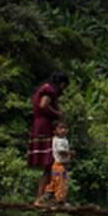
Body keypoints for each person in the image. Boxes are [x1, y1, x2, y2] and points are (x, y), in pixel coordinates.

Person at [28, 71, 69, 202]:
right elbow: (43, 105)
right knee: (50, 162)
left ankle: (46, 196)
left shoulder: (44, 88)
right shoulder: (49, 90)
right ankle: (41, 197)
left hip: (40, 124)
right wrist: (57, 114)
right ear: (61, 84)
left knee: (50, 163)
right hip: (44, 126)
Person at [38, 121, 74, 206]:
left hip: (62, 166)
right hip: (58, 166)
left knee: (57, 181)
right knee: (61, 182)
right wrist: (70, 153)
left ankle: (46, 197)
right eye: (60, 128)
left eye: (65, 128)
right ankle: (59, 200)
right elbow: (61, 151)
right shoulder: (58, 140)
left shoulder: (64, 140)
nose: (63, 130)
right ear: (54, 131)